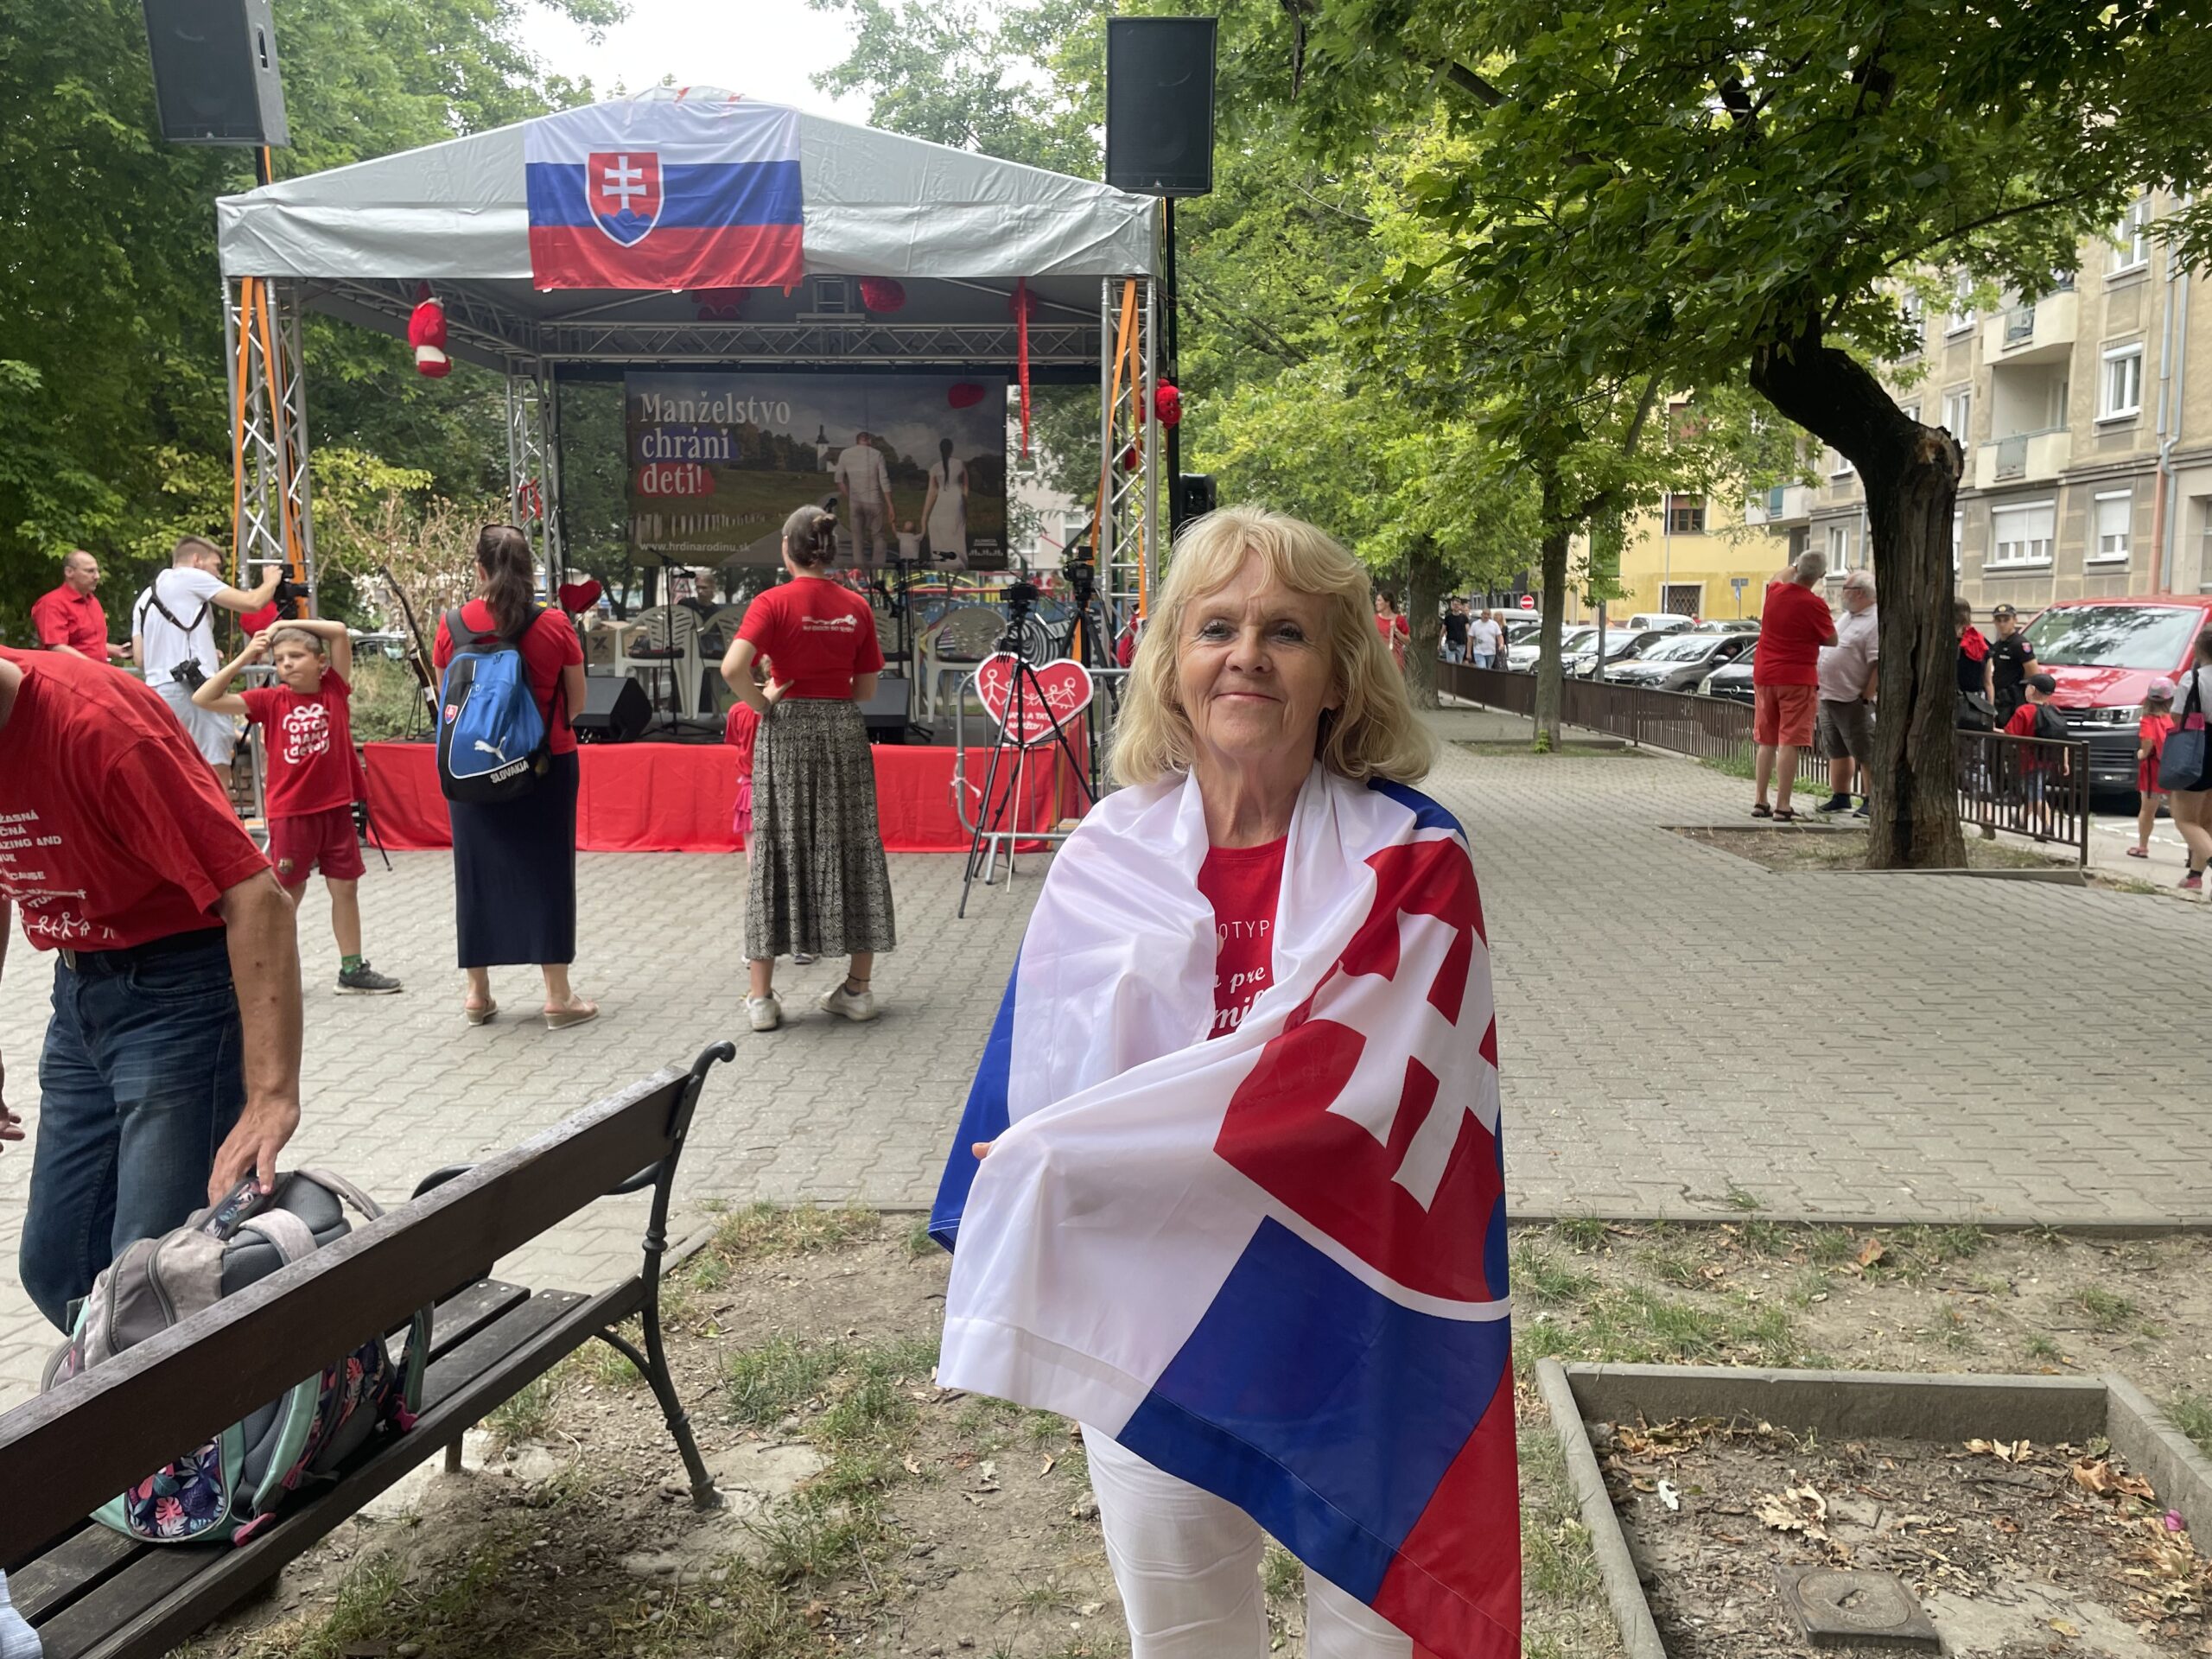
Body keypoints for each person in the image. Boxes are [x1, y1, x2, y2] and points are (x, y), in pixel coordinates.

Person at [935, 506, 1513, 1659]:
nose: (1246, 654)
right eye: (1215, 628)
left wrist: (1091, 1149)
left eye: (1285, 632)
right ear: (1174, 669)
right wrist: (1034, 1155)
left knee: (1373, 1637)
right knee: (1186, 1640)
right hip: (1161, 1323)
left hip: (1355, 1317)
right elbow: (1045, 1082)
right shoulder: (1107, 852)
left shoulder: (1414, 859)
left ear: (1340, 680)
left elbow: (1381, 1104)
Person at [0, 645, 302, 1330]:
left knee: (153, 1275)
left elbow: (257, 898)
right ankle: (151, 1410)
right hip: (79, 991)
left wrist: (271, 1097)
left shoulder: (99, 729)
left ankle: (225, 1418)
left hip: (177, 995)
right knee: (58, 1269)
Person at [721, 504, 897, 1032]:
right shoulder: (855, 606)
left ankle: (762, 999)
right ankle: (858, 990)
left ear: (787, 549)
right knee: (853, 842)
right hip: (842, 728)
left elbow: (733, 667)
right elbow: (865, 689)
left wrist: (763, 702)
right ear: (829, 551)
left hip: (788, 727)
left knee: (778, 843)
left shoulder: (771, 602)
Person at [431, 524, 596, 1030]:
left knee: (475, 876)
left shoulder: (452, 624)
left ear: (479, 569)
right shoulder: (553, 626)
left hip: (470, 769)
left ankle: (478, 995)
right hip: (544, 764)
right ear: (530, 570)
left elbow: (448, 702)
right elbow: (579, 704)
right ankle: (557, 998)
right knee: (547, 871)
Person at [193, 619, 401, 995]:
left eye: (296, 655)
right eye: (279, 658)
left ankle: (351, 968)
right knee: (287, 895)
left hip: (335, 809)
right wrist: (245, 657)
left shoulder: (335, 690)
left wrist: (283, 623)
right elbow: (203, 698)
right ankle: (274, 969)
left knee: (345, 889)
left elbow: (338, 630)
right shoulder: (270, 701)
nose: (286, 663)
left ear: (321, 661)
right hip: (291, 813)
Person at [130, 536, 284, 788]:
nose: (218, 574)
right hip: (194, 690)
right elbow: (252, 603)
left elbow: (140, 658)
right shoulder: (189, 576)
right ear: (197, 560)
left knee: (177, 769)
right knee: (215, 770)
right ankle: (219, 826)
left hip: (158, 692)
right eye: (216, 566)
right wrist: (271, 581)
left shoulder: (146, 597)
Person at [1751, 553, 1838, 821]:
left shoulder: (1774, 593)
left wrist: (1795, 564)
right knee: (1788, 741)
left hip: (1765, 675)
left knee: (1766, 740)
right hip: (1797, 678)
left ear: (1797, 568)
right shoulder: (1815, 605)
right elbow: (1832, 640)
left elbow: (1780, 575)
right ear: (1821, 577)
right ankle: (1783, 805)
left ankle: (1760, 801)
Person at [1814, 569, 1878, 816]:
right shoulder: (1849, 616)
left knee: (1865, 750)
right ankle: (1841, 796)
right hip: (1830, 695)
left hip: (1853, 698)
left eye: (1845, 589)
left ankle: (1872, 798)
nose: (1841, 594)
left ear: (1859, 593)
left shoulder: (1874, 621)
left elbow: (1877, 663)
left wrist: (1865, 696)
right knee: (1836, 748)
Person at [2164, 628, 2212, 893]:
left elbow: (2177, 717)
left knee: (2185, 818)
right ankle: (2194, 876)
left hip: (2200, 746)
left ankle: (2197, 875)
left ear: (2199, 650)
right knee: (2208, 820)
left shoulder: (2192, 678)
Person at [30, 551, 128, 664]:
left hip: (95, 675)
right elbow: (57, 648)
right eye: (90, 571)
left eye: (97, 571)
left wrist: (118, 651)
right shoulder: (52, 604)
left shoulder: (93, 602)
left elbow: (88, 644)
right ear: (69, 572)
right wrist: (95, 667)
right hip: (68, 677)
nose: (97, 576)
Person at [831, 430, 895, 565]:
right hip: (875, 500)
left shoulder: (846, 454)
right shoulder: (877, 454)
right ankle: (878, 567)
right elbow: (884, 480)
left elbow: (839, 479)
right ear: (869, 441)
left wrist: (849, 496)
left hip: (856, 501)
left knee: (857, 537)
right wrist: (890, 505)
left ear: (857, 441)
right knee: (878, 536)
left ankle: (861, 568)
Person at [2130, 678, 2177, 860]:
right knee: (2180, 813)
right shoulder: (2175, 719)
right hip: (2174, 768)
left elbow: (2148, 742)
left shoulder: (2148, 720)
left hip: (2153, 770)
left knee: (2147, 810)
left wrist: (2142, 753)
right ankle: (2193, 850)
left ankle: (2143, 846)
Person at [1986, 602, 2038, 727]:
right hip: (2000, 699)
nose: (2002, 624)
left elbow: (2033, 674)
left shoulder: (2020, 644)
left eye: (2006, 619)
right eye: (1999, 620)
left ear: (2015, 620)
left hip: (2014, 700)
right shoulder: (1997, 645)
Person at [920, 437, 969, 565]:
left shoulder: (935, 467)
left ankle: (944, 564)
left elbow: (932, 492)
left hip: (942, 504)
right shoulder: (960, 464)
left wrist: (924, 516)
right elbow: (966, 490)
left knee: (940, 532)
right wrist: (965, 508)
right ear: (951, 449)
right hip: (956, 501)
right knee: (955, 533)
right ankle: (957, 563)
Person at [1955, 601, 1994, 729]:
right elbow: (1988, 682)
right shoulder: (1981, 642)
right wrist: (1990, 710)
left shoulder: (1942, 641)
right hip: (1978, 702)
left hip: (1953, 700)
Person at [1372, 589, 1408, 673]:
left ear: (1387, 603)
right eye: (1376, 600)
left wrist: (1396, 630)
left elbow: (1408, 640)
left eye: (1379, 600)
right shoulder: (1373, 619)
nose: (1376, 603)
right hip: (1378, 658)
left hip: (1394, 660)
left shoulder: (1399, 620)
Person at [1468, 606, 1504, 671]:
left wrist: (1501, 644)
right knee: (1482, 668)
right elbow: (1470, 639)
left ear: (1490, 616)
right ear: (1481, 615)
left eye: (1488, 614)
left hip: (1491, 652)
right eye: (1484, 614)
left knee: (1488, 670)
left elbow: (1499, 636)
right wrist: (1468, 652)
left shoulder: (1494, 624)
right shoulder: (1475, 624)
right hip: (1478, 651)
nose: (1486, 616)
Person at [1440, 597, 1470, 664]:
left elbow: (1468, 631)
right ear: (1452, 606)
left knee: (1459, 664)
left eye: (1458, 605)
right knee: (1452, 663)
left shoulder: (1464, 618)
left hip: (1461, 644)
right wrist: (1439, 644)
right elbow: (1443, 631)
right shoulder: (1448, 618)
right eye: (1455, 605)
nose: (1456, 606)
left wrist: (1468, 643)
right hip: (1451, 643)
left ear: (1460, 606)